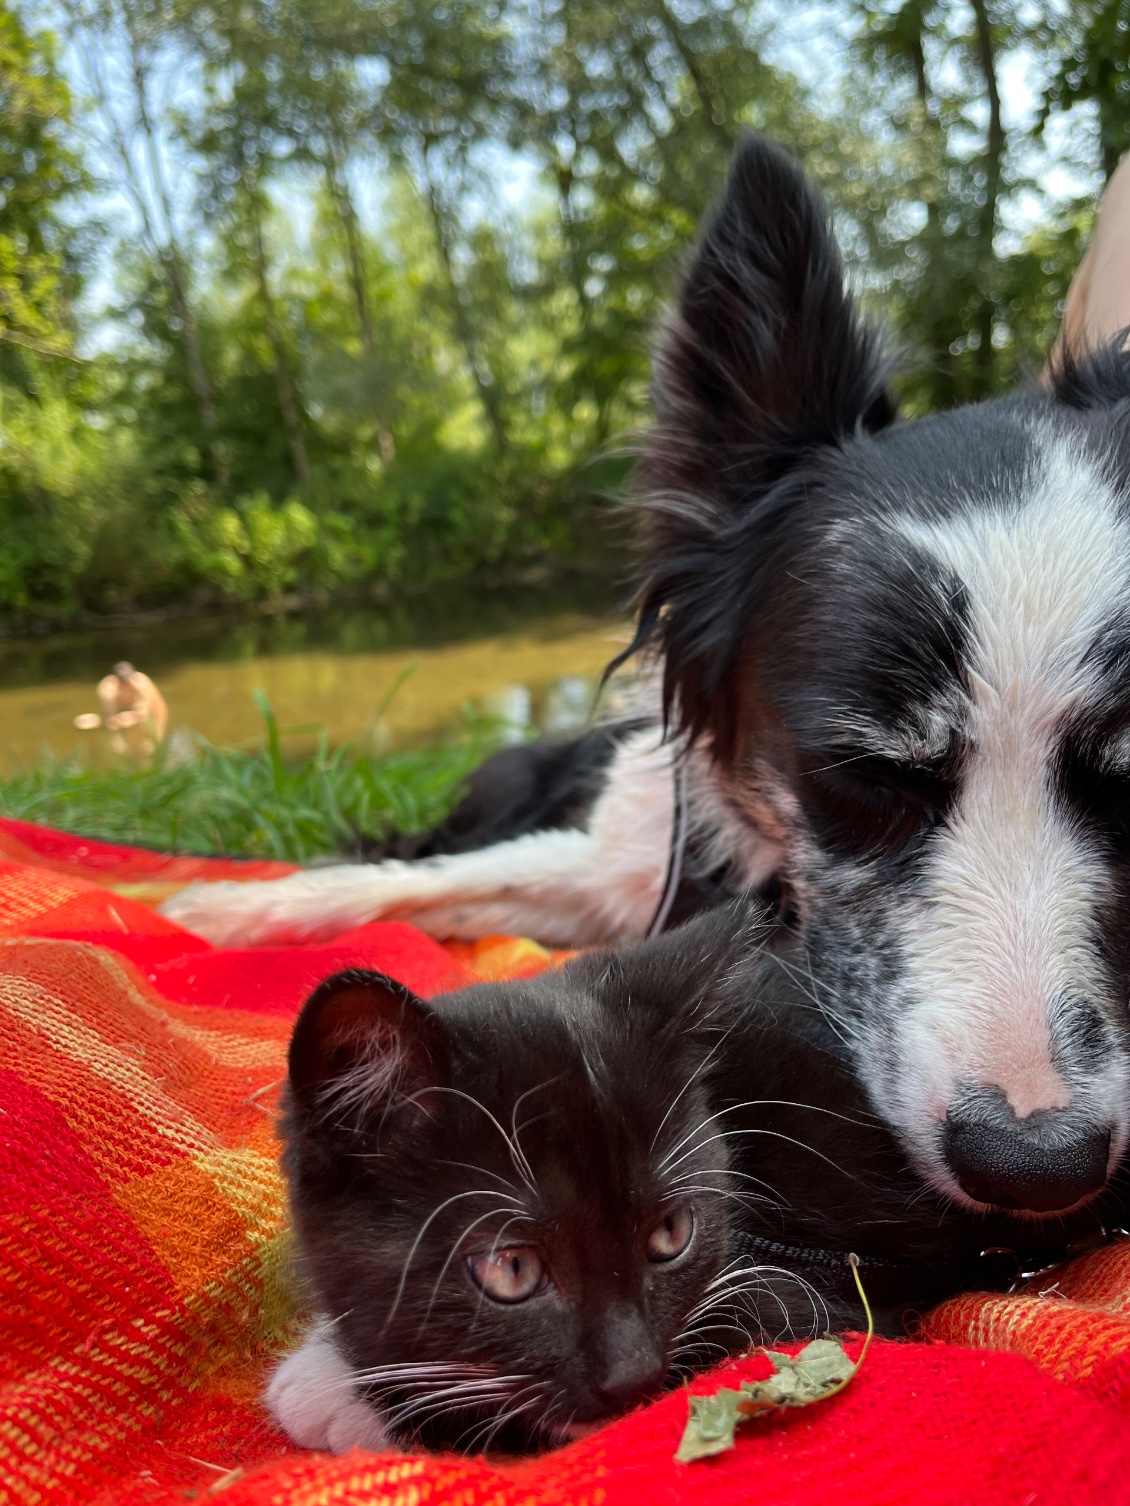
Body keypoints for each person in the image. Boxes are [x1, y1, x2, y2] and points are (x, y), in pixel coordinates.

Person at [74, 661, 169, 756]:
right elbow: (110, 716)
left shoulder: (140, 682)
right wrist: (116, 741)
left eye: (128, 682)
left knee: (144, 716)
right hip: (120, 714)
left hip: (140, 712)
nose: (127, 686)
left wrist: (155, 740)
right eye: (123, 683)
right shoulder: (108, 688)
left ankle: (145, 736)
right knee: (82, 722)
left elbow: (158, 709)